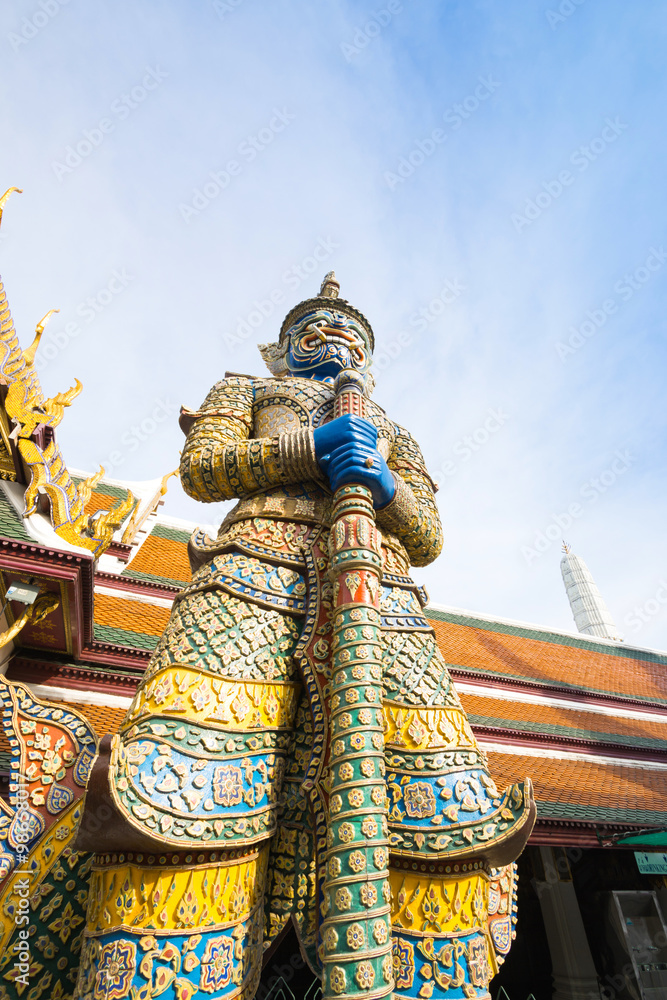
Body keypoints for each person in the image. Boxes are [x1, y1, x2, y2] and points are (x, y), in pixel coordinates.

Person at [74, 274, 534, 1000]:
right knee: (177, 803)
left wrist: (382, 484)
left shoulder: (395, 429)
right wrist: (306, 448)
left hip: (382, 598)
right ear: (282, 346)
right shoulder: (246, 390)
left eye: (348, 329)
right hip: (250, 574)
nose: (332, 337)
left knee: (440, 818)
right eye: (312, 327)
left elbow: (428, 537)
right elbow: (202, 471)